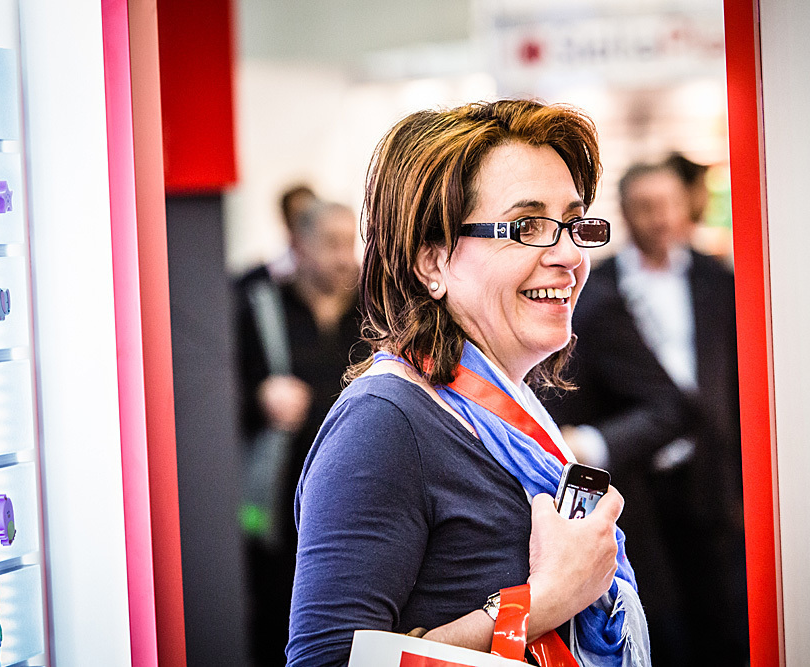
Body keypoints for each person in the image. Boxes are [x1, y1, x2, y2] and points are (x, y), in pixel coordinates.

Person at [288, 100, 651, 666]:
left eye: (573, 223)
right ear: (432, 262)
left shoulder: (504, 407)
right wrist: (543, 600)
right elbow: (328, 662)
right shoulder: (384, 422)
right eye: (528, 226)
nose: (568, 254)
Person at [550, 160, 747, 666]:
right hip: (635, 476)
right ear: (624, 212)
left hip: (708, 472)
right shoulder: (597, 288)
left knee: (722, 618)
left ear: (685, 206)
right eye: (645, 207)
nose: (659, 218)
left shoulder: (718, 279)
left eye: (668, 204)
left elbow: (735, 374)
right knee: (658, 619)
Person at [234, 199, 365, 667]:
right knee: (279, 621)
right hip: (280, 506)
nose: (344, 257)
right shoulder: (261, 306)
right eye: (330, 244)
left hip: (358, 500)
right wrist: (260, 397)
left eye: (349, 243)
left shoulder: (373, 313)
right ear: (298, 246)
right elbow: (214, 399)